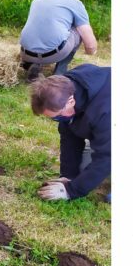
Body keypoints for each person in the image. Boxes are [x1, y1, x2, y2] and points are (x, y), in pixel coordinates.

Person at [30, 64, 111, 201]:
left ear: (71, 101)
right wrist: (68, 176)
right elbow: (69, 135)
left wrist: (71, 191)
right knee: (82, 172)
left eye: (57, 116)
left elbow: (107, 156)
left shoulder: (105, 113)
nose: (57, 120)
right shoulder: (66, 87)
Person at [19, 0, 98, 82]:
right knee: (79, 30)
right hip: (52, 55)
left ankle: (34, 65)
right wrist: (91, 51)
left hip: (25, 52)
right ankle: (59, 72)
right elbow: (89, 43)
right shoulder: (75, 2)